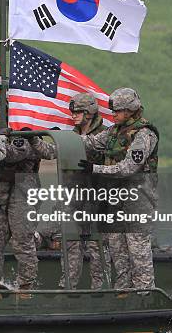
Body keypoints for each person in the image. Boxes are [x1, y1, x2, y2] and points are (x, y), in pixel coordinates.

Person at [79, 87, 159, 289]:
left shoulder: (144, 134)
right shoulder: (113, 132)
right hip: (114, 200)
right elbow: (89, 142)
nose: (113, 114)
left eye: (117, 111)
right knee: (118, 252)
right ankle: (122, 294)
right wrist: (60, 140)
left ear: (130, 110)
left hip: (137, 201)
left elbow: (129, 168)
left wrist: (95, 168)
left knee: (138, 253)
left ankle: (144, 297)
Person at [0, 100, 55, 298]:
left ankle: (25, 288)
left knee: (22, 239)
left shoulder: (24, 134)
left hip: (24, 188)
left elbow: (13, 154)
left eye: (3, 111)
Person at [59, 93, 109, 289]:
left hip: (97, 197)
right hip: (74, 197)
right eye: (72, 111)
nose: (73, 115)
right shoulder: (71, 136)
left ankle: (101, 289)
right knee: (70, 243)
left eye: (78, 111)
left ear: (89, 113)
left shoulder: (105, 135)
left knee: (98, 247)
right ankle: (67, 288)